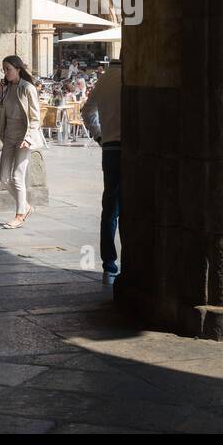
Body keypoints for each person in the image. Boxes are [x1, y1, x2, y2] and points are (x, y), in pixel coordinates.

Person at [0, 54, 43, 229]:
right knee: (4, 177)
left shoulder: (27, 88)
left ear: (18, 69)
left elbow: (36, 117)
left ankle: (20, 215)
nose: (5, 72)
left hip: (24, 138)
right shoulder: (6, 88)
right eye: (4, 69)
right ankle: (26, 206)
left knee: (17, 176)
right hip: (8, 136)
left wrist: (28, 138)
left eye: (8, 69)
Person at [83, 57, 122, 282]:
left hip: (110, 148)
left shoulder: (104, 80)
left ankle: (109, 266)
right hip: (132, 149)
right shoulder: (131, 77)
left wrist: (99, 135)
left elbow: (87, 111)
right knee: (132, 208)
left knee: (110, 208)